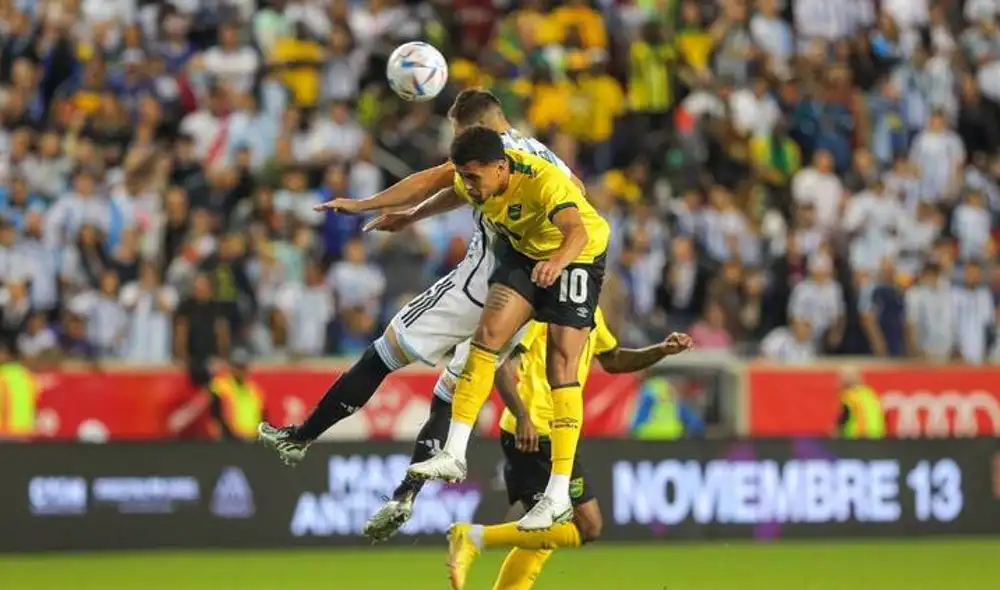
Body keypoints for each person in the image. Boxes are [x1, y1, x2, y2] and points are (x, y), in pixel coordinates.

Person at [256, 89, 580, 524]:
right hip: (528, 300)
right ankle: (406, 495)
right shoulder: (542, 158)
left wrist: (365, 204)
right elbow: (478, 190)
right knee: (450, 392)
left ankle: (300, 437)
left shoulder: (494, 151)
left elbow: (433, 179)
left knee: (382, 354)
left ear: (476, 126)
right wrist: (412, 217)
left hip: (478, 288)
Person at [406, 126, 611, 532]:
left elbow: (578, 231)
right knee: (487, 338)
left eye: (474, 178)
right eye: (464, 176)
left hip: (578, 255)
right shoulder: (480, 180)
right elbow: (447, 193)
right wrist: (405, 216)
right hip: (526, 251)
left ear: (501, 168)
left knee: (560, 367)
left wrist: (557, 263)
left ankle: (555, 495)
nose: (468, 186)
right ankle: (455, 452)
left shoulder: (544, 181)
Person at [410, 308, 691, 590]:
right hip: (537, 430)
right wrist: (522, 417)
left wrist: (661, 350)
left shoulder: (591, 311)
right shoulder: (544, 311)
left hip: (557, 431)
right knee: (587, 526)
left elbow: (614, 359)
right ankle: (474, 537)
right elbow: (499, 360)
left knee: (541, 534)